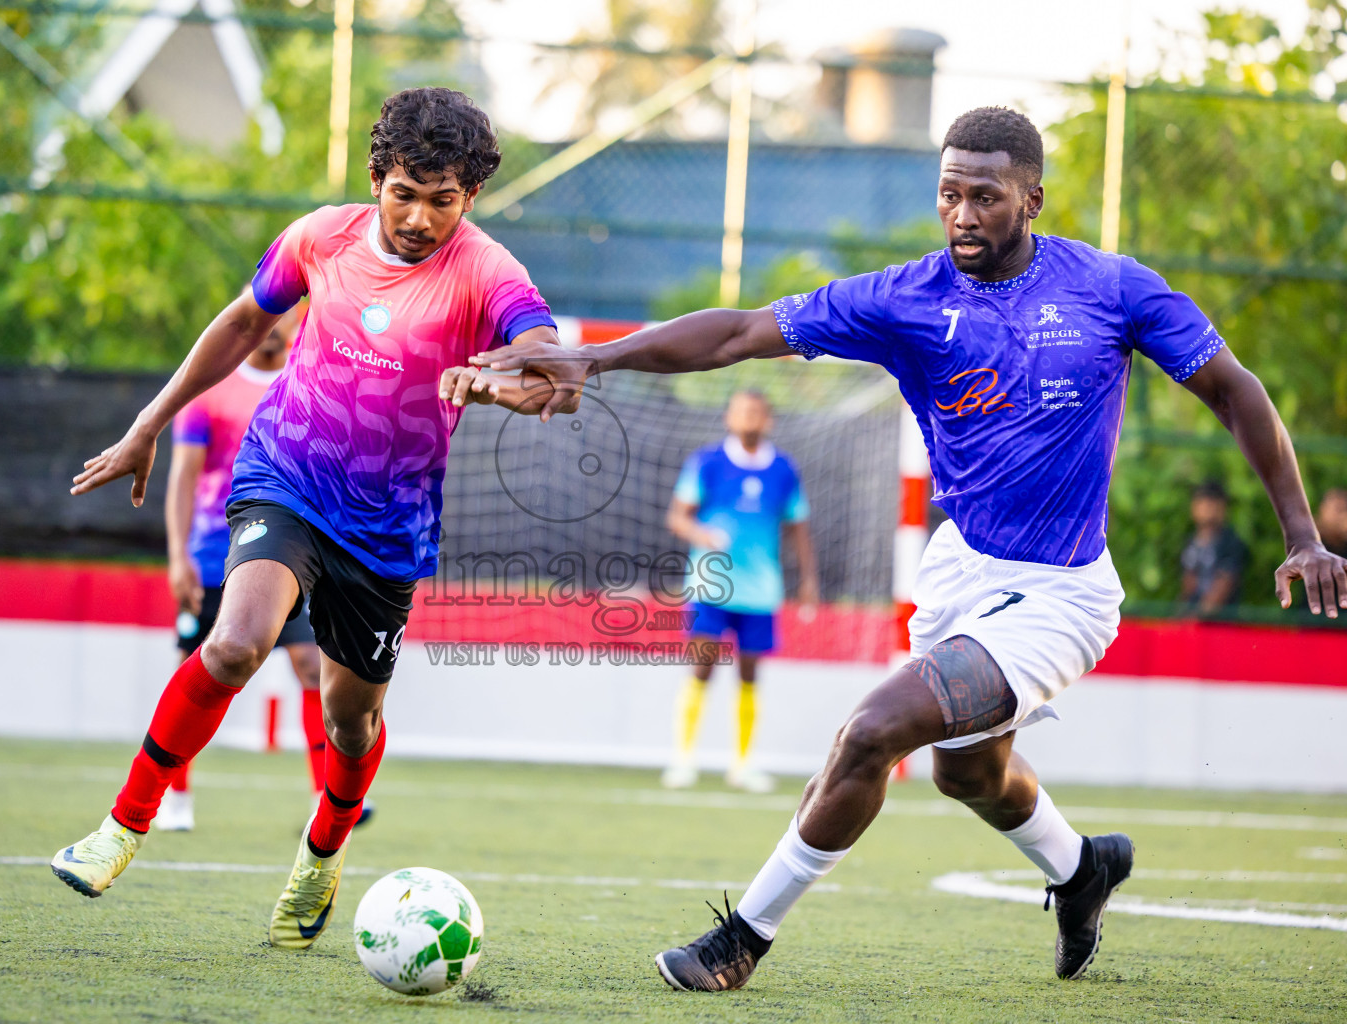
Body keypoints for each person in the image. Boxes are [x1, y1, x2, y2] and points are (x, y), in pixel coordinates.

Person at [472, 106, 1347, 989]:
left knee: (873, 732)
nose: (963, 213)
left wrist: (1302, 536)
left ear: (1032, 198)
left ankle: (742, 938)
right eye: (949, 194)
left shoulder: (1115, 289)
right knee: (966, 775)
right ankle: (1082, 870)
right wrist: (596, 359)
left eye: (987, 196)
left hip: (1062, 594)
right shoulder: (906, 299)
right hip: (962, 571)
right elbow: (739, 333)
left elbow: (1237, 393)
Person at [50, 88, 567, 951]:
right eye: (404, 193)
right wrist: (149, 422)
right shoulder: (319, 235)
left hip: (389, 529)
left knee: (349, 721)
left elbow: (556, 374)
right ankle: (122, 826)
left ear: (468, 198)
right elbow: (245, 317)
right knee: (233, 644)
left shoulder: (489, 272)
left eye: (443, 201)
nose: (419, 218)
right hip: (282, 475)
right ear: (377, 178)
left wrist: (500, 383)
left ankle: (322, 854)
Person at [157, 299, 372, 832]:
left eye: (284, 317)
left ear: (295, 324)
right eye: (266, 315)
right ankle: (174, 796)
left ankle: (322, 799)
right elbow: (184, 475)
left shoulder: (308, 383)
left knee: (309, 665)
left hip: (289, 553)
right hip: (214, 552)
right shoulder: (211, 386)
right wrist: (177, 555)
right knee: (200, 665)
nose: (274, 326)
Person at [663, 389, 817, 794]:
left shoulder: (784, 470)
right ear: (729, 417)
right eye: (740, 411)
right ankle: (683, 758)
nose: (748, 418)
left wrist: (808, 578)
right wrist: (702, 534)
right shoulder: (707, 462)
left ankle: (743, 764)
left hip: (760, 590)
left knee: (749, 675)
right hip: (710, 584)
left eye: (756, 412)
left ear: (768, 420)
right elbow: (677, 517)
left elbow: (798, 525)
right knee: (701, 668)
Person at [1178, 479, 1250, 614]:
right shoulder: (1191, 543)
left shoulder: (1231, 543)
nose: (1205, 508)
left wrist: (1195, 618)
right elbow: (1188, 587)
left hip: (1220, 623)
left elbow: (1222, 588)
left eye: (1210, 503)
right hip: (1192, 621)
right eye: (1200, 502)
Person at [1317, 488, 1347, 559]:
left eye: (1344, 510)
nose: (1342, 516)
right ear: (1323, 510)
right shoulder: (1309, 539)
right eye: (1338, 510)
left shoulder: (1343, 542)